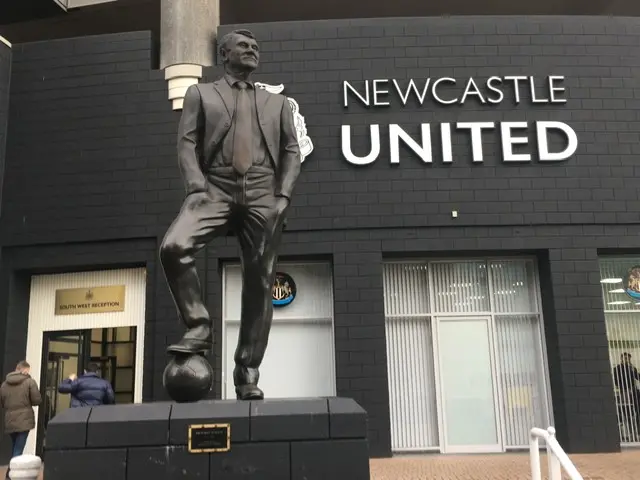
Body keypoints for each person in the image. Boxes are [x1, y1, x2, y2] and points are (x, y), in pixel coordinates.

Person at [159, 29, 301, 401]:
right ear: (225, 54)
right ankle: (199, 326)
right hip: (215, 188)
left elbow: (291, 151)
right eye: (244, 46)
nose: (253, 50)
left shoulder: (278, 104)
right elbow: (187, 143)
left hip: (262, 192)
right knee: (174, 247)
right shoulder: (201, 93)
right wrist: (195, 188)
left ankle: (247, 372)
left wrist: (282, 197)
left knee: (260, 283)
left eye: (256, 46)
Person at [0, 361, 42, 463]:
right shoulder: (29, 382)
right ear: (24, 370)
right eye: (28, 371)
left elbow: (2, 403)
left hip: (10, 420)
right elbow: (37, 400)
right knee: (18, 450)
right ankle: (11, 473)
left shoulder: (4, 384)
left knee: (15, 447)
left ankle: (11, 472)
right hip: (24, 420)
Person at [613, 352, 640, 436]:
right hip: (624, 391)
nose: (626, 360)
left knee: (637, 410)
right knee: (627, 411)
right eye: (625, 358)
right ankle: (629, 432)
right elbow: (617, 381)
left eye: (628, 358)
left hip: (633, 391)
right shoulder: (617, 369)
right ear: (621, 359)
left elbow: (638, 377)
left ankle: (637, 432)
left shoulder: (632, 368)